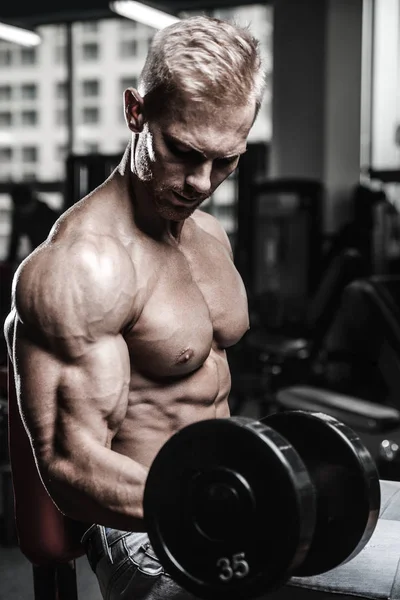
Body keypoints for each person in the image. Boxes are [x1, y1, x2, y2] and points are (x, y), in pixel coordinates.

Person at [4, 15, 266, 600]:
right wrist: (206, 508)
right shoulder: (84, 265)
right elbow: (73, 467)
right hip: (136, 525)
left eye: (226, 160)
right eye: (183, 151)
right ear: (135, 112)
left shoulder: (211, 236)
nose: (202, 182)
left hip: (224, 496)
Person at [6, 182, 59, 264]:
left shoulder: (48, 214)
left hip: (54, 254)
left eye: (24, 208)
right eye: (20, 209)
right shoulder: (18, 215)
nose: (23, 212)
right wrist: (9, 263)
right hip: (37, 254)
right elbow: (15, 241)